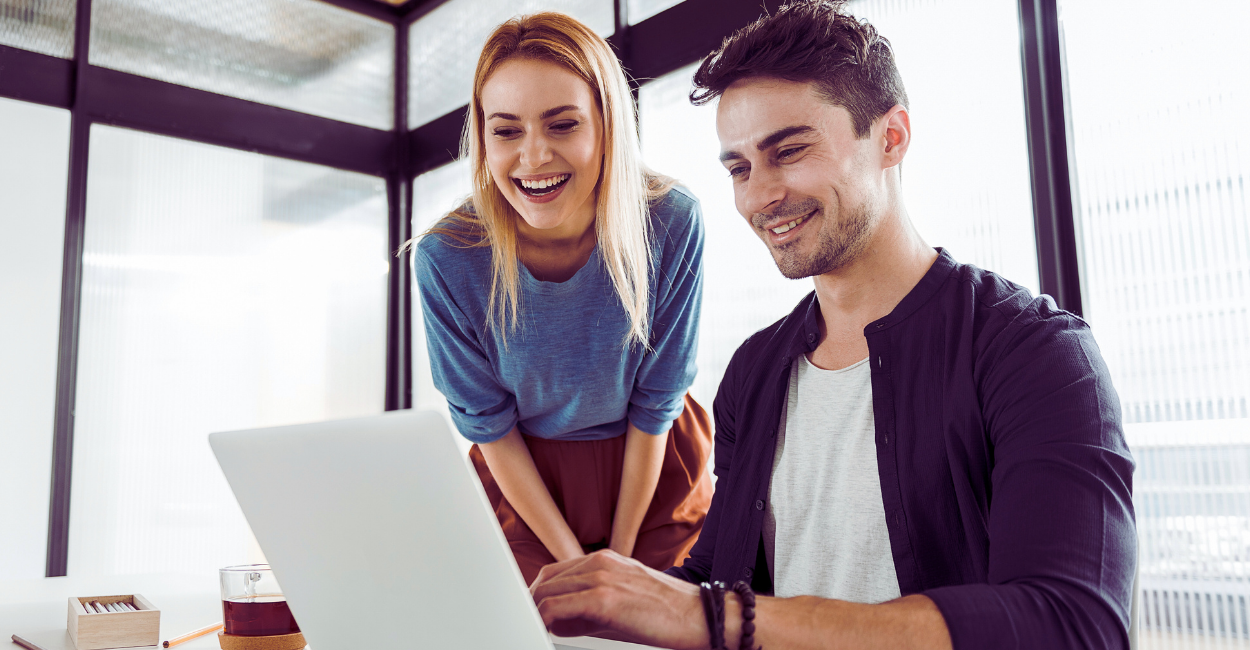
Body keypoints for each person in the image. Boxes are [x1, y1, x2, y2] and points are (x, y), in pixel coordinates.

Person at [529, 2, 1137, 648]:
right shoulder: (755, 371)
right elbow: (717, 578)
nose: (759, 196)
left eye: (788, 150)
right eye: (739, 168)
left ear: (891, 137)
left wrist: (703, 615)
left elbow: (1074, 626)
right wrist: (607, 609)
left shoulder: (1034, 353)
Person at [412, 12, 713, 586]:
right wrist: (576, 562)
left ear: (607, 126)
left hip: (652, 466)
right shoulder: (447, 257)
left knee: (658, 623)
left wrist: (620, 562)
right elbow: (489, 425)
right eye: (505, 131)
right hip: (525, 481)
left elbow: (657, 402)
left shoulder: (672, 221)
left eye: (562, 125)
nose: (533, 157)